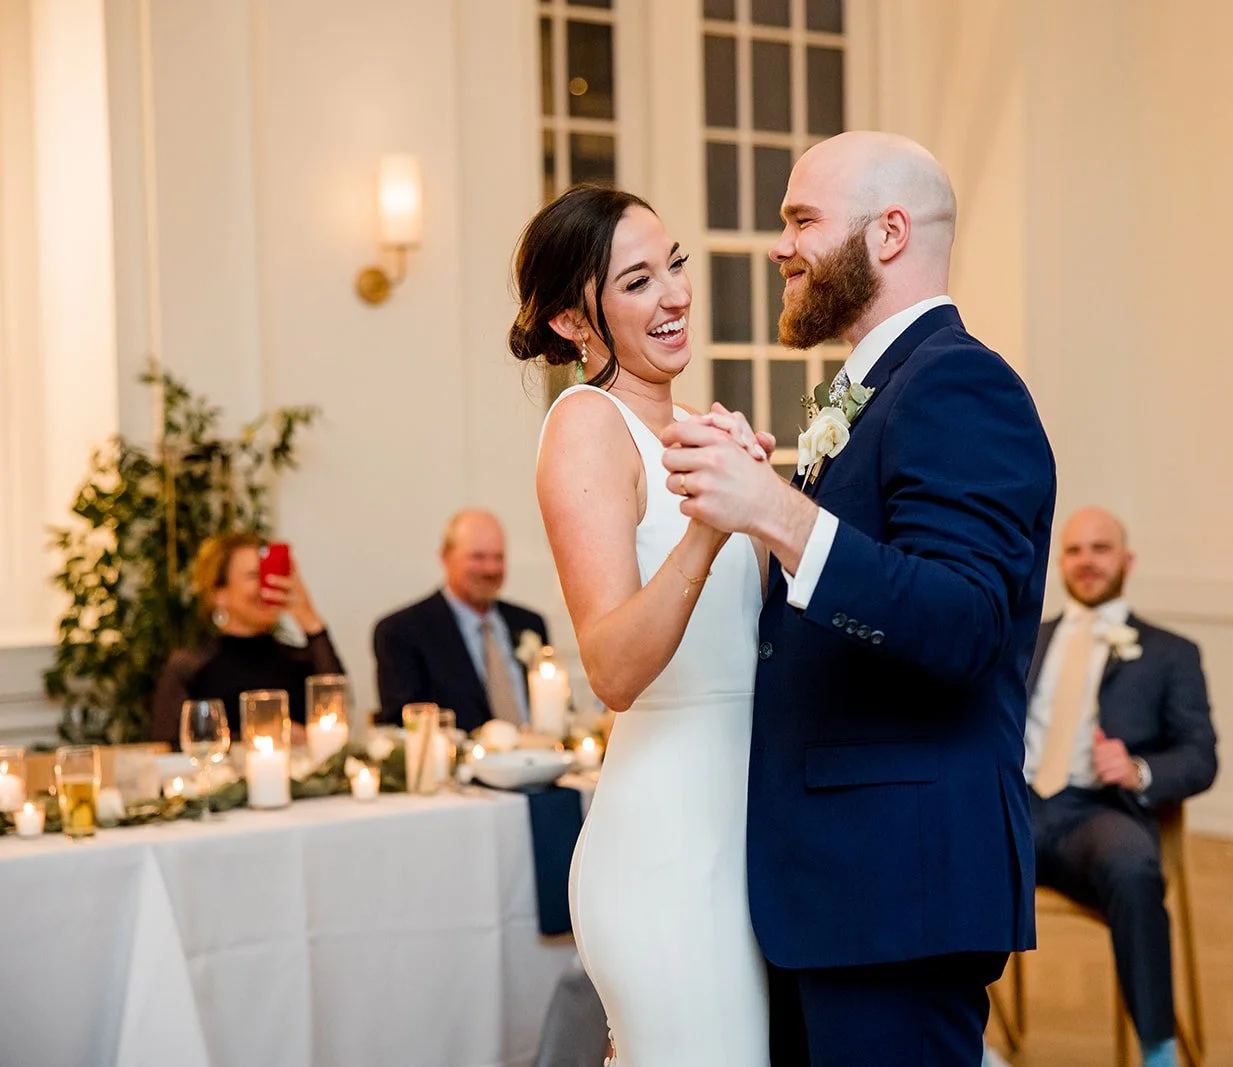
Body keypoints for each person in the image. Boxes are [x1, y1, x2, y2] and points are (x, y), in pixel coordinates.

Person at [661, 131, 1056, 1065]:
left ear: (888, 233)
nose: (778, 246)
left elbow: (964, 622)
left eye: (801, 219)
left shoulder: (960, 382)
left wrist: (777, 516)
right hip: (840, 885)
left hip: (898, 888)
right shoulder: (877, 390)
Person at [511, 183, 775, 1066]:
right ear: (572, 324)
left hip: (745, 832)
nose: (673, 296)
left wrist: (774, 510)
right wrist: (710, 523)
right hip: (666, 846)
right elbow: (615, 669)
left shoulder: (703, 430)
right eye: (636, 281)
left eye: (674, 266)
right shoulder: (587, 426)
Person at [1025, 507, 1218, 1067]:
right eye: (1075, 550)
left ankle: (1157, 1049)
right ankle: (964, 1038)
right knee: (945, 850)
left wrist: (1139, 772)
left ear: (1126, 561)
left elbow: (1200, 756)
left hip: (1100, 815)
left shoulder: (1171, 653)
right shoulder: (1025, 640)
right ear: (1060, 562)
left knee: (1134, 868)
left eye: (1100, 549)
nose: (1086, 562)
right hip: (1021, 805)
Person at [150, 531, 345, 747]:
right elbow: (167, 746)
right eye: (254, 576)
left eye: (270, 574)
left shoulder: (299, 661)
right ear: (219, 593)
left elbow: (339, 710)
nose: (267, 585)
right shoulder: (191, 667)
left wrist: (308, 617)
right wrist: (257, 737)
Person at [372, 509, 549, 733]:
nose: (491, 569)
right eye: (478, 557)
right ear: (445, 557)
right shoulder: (401, 632)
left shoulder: (530, 622)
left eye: (499, 557)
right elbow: (402, 726)